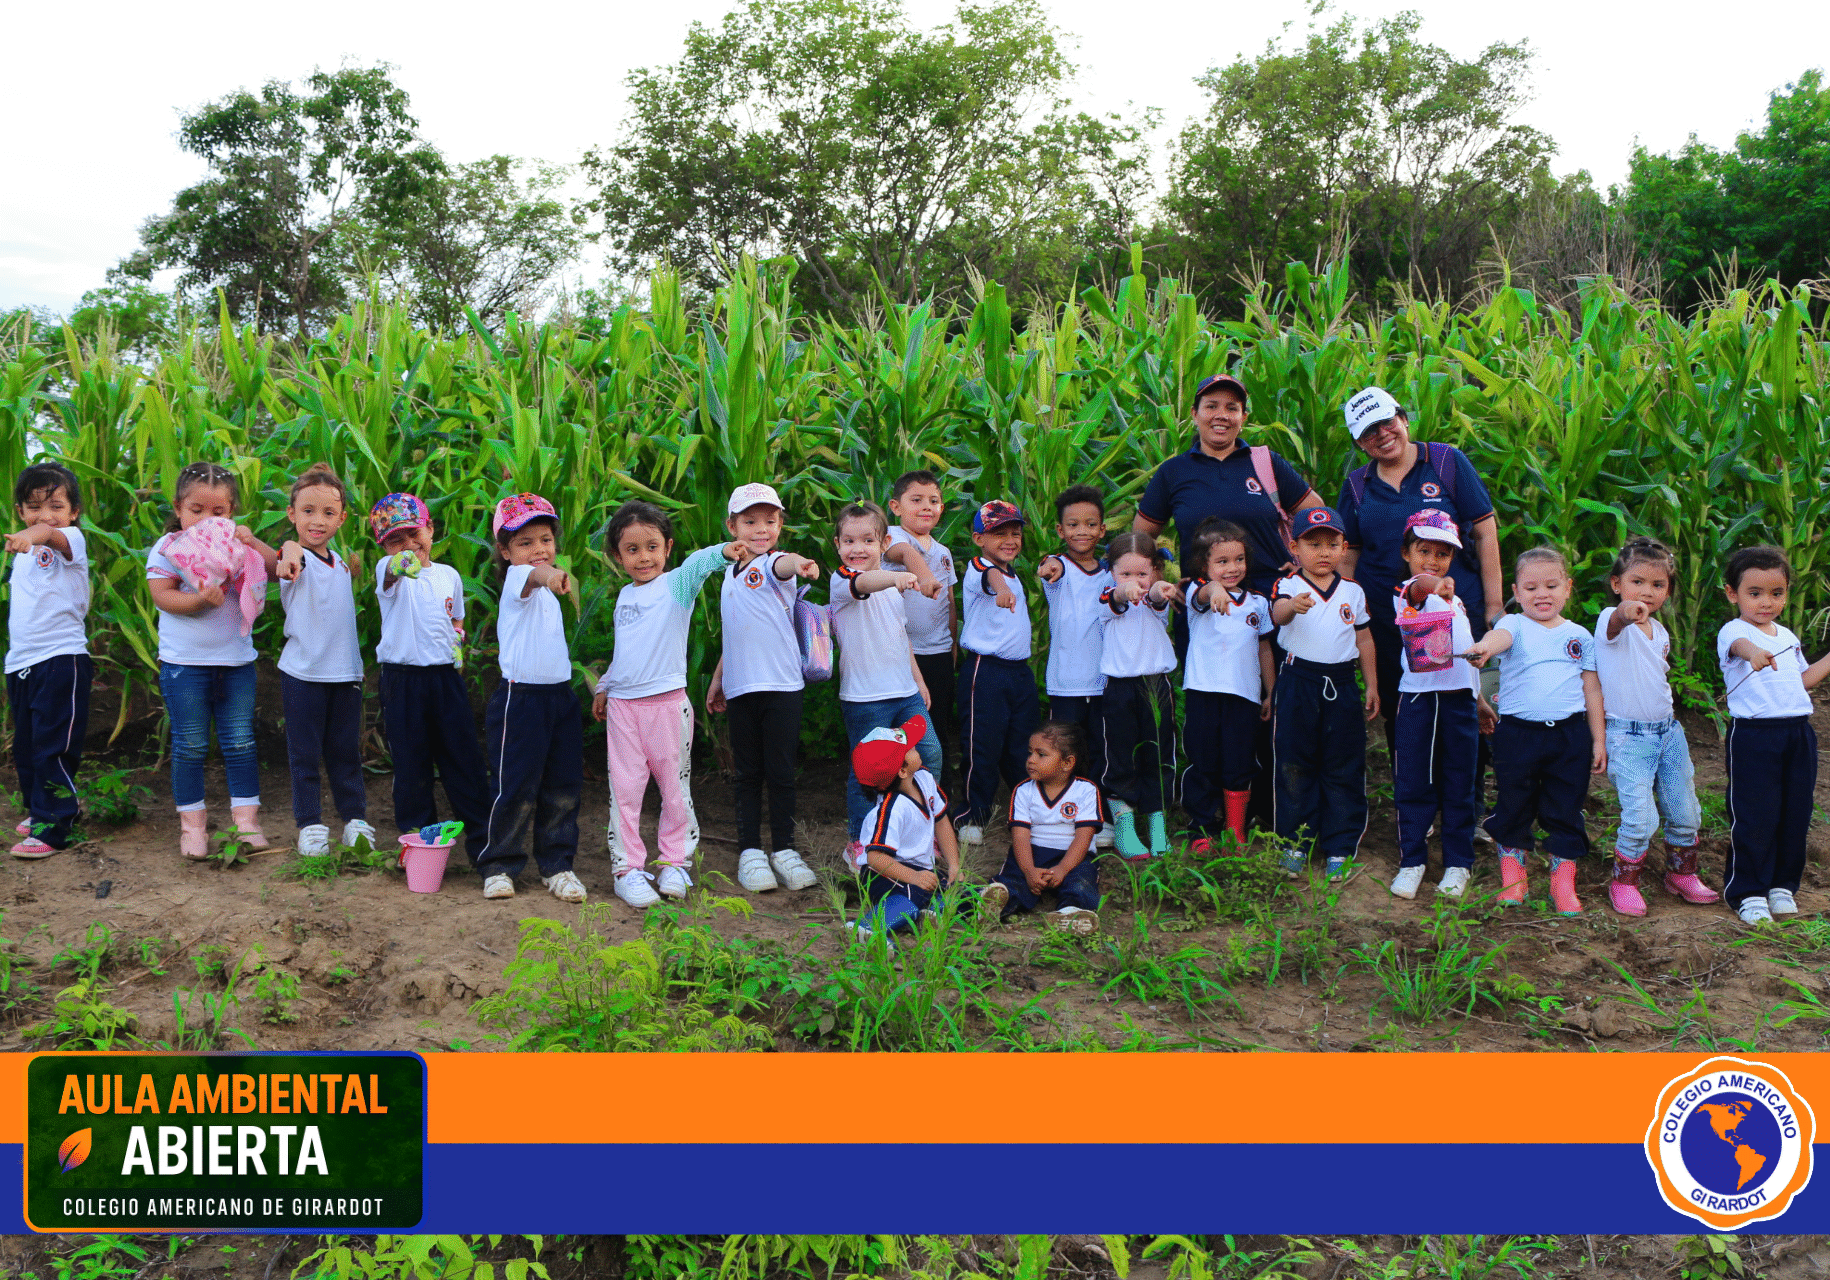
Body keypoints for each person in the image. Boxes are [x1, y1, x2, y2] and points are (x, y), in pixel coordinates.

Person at [1335, 386, 1503, 750]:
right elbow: (1349, 554)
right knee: (1404, 708)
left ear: (1404, 419)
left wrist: (1494, 605)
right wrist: (1343, 609)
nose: (1382, 434)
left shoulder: (1446, 462)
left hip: (1454, 611)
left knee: (1462, 701)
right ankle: (1411, 796)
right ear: (1359, 443)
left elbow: (1485, 532)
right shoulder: (1357, 486)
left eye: (1386, 422)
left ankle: (1463, 797)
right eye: (1368, 432)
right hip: (1388, 616)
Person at [591, 501, 737, 909]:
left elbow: (698, 564)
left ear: (667, 547)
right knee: (625, 790)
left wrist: (726, 551)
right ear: (618, 556)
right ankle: (627, 869)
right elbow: (626, 652)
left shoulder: (676, 585)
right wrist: (604, 685)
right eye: (632, 550)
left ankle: (674, 862)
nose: (643, 557)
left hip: (668, 707)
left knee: (674, 789)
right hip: (623, 709)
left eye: (652, 546)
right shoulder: (624, 596)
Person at [145, 462, 282, 859]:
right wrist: (198, 600)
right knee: (189, 745)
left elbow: (278, 571)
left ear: (233, 511)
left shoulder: (238, 547)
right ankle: (193, 827)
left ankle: (246, 822)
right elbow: (162, 596)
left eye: (218, 512)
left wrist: (252, 542)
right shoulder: (169, 547)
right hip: (184, 665)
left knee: (239, 743)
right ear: (178, 508)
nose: (206, 520)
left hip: (235, 662)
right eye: (196, 510)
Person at [1462, 547, 1606, 915]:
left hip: (1570, 736)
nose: (1541, 594)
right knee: (1514, 801)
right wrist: (1482, 648)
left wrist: (1598, 739)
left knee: (1566, 805)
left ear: (1568, 588)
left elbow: (1591, 689)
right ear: (1516, 591)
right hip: (1518, 735)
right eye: (1530, 588)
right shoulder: (1514, 624)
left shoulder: (1580, 636)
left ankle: (1563, 881)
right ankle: (1514, 877)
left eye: (1551, 585)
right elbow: (1499, 639)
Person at [705, 482, 821, 893]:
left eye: (770, 521)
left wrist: (800, 562)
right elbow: (735, 633)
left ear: (780, 526)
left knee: (781, 772)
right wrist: (719, 679)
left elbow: (784, 564)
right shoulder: (728, 576)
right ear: (731, 526)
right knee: (748, 773)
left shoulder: (773, 564)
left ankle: (785, 849)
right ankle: (750, 851)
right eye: (750, 522)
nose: (760, 529)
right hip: (740, 688)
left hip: (781, 686)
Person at [1593, 537, 1718, 915]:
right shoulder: (1610, 621)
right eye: (1637, 582)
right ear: (1617, 584)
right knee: (1641, 817)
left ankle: (1681, 873)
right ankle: (1625, 881)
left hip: (1668, 733)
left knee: (1685, 811)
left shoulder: (1660, 632)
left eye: (1658, 585)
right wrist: (1626, 611)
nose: (1647, 592)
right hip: (1627, 737)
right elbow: (1617, 621)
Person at [473, 493, 585, 903]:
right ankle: (499, 865)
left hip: (559, 698)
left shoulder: (544, 587)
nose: (538, 550)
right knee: (514, 785)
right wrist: (549, 575)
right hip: (520, 701)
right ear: (505, 551)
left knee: (563, 785)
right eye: (525, 543)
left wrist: (552, 578)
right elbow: (534, 578)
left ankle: (558, 866)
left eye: (545, 539)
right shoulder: (518, 582)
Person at [371, 492, 489, 872]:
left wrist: (457, 642)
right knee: (411, 766)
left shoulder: (450, 576)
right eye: (395, 539)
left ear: (431, 529)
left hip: (445, 680)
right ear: (384, 547)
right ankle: (420, 849)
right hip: (401, 681)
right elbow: (393, 570)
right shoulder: (388, 573)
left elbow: (456, 620)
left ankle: (485, 848)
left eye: (415, 533)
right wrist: (399, 562)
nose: (408, 544)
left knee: (464, 761)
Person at [1716, 545, 1830, 925]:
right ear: (1733, 594)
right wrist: (1753, 655)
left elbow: (1801, 682)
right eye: (1755, 593)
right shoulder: (1735, 631)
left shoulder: (1787, 635)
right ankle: (1747, 891)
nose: (1767, 602)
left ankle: (1782, 886)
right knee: (1754, 814)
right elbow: (1741, 646)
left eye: (1776, 593)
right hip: (1754, 736)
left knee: (1794, 812)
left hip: (1797, 732)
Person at [1133, 373, 1323, 598]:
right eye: (1211, 406)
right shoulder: (1173, 472)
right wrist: (1158, 583)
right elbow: (1141, 536)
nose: (1221, 416)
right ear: (1195, 414)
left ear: (1243, 417)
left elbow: (1317, 514)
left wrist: (1306, 566)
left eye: (1232, 408)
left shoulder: (1266, 463)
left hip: (1273, 603)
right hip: (1203, 607)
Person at [829, 501, 943, 862]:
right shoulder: (842, 581)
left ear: (884, 542)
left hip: (905, 693)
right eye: (849, 541)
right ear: (838, 545)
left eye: (867, 540)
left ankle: (918, 829)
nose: (857, 549)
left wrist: (919, 680)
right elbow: (865, 581)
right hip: (865, 699)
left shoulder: (893, 589)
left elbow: (900, 637)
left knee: (929, 756)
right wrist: (895, 577)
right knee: (866, 773)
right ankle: (859, 845)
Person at [1270, 507, 1378, 878]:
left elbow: (1363, 637)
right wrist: (1292, 608)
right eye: (1312, 544)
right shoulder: (1289, 586)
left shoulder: (1353, 591)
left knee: (1343, 764)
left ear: (1344, 548)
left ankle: (1340, 846)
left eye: (1332, 544)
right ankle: (1296, 843)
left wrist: (1372, 685)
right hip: (1300, 681)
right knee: (1295, 762)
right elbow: (1277, 614)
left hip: (1342, 684)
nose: (1323, 552)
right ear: (1294, 547)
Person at [273, 464, 374, 859]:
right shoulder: (294, 557)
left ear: (342, 518)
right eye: (308, 511)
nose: (318, 521)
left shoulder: (343, 565)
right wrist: (290, 552)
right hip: (304, 673)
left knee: (346, 752)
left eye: (328, 513)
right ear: (291, 514)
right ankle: (310, 824)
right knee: (305, 755)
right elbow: (289, 553)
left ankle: (354, 820)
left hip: (345, 673)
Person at [1386, 511, 1485, 901]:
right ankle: (1412, 861)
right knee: (1414, 782)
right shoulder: (1410, 592)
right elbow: (1419, 588)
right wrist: (1433, 584)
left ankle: (1458, 864)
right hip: (1419, 700)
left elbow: (1462, 655)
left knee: (1460, 782)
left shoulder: (1456, 601)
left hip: (1460, 702)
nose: (1432, 559)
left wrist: (1479, 701)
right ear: (1406, 553)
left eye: (1442, 553)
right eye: (1423, 550)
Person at [5, 463, 92, 859]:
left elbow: (49, 533)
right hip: (22, 662)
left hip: (61, 659)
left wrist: (33, 533)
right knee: (26, 745)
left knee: (52, 746)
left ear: (73, 512)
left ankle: (56, 824)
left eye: (56, 505)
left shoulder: (70, 539)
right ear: (20, 509)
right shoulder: (24, 552)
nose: (44, 514)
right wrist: (27, 539)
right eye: (33, 506)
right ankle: (39, 809)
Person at [1180, 518, 1274, 853]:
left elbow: (1264, 648)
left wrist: (1270, 692)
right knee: (1203, 761)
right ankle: (1202, 829)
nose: (1232, 568)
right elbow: (1204, 593)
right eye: (1221, 562)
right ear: (1204, 565)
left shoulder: (1258, 603)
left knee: (1239, 761)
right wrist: (1214, 588)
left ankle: (1236, 830)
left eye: (1239, 560)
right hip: (1204, 692)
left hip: (1245, 697)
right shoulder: (1197, 592)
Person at [950, 500, 1040, 843]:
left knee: (1022, 743)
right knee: (981, 744)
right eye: (998, 533)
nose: (1010, 539)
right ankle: (973, 814)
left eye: (1015, 533)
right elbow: (991, 579)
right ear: (978, 538)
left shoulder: (1013, 572)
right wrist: (1001, 589)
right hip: (985, 672)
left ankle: (1025, 809)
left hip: (1018, 673)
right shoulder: (981, 567)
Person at [1096, 531, 1182, 860]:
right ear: (1112, 572)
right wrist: (1124, 589)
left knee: (1158, 753)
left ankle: (1157, 823)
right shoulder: (1107, 596)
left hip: (1156, 685)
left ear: (1155, 570)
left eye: (1142, 573)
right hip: (1119, 687)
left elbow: (1158, 597)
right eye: (1125, 572)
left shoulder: (1156, 597)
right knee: (1120, 755)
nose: (1135, 580)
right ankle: (1124, 825)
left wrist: (1159, 588)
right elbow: (1117, 599)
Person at [981, 719, 1105, 934]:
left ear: (1067, 763)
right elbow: (1020, 837)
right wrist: (1029, 870)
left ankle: (1071, 913)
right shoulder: (1023, 791)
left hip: (1074, 856)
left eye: (1041, 754)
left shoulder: (1085, 790)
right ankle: (989, 904)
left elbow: (1083, 838)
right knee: (1013, 880)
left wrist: (1063, 868)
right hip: (1032, 853)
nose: (1031, 760)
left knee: (1081, 881)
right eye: (1030, 753)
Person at [851, 715, 965, 940]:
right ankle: (868, 929)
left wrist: (954, 864)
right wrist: (913, 877)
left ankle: (937, 911)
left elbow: (941, 821)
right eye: (909, 748)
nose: (915, 746)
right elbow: (875, 858)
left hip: (917, 867)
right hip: (883, 872)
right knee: (913, 894)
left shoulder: (923, 778)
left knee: (953, 886)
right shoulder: (891, 809)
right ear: (902, 771)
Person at [884, 471, 958, 790]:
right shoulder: (891, 537)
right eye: (916, 500)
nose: (926, 506)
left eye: (934, 501)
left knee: (937, 724)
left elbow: (949, 602)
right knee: (906, 730)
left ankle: (934, 795)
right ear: (896, 506)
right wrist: (925, 577)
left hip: (938, 652)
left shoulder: (943, 552)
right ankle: (899, 792)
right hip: (904, 654)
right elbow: (905, 555)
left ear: (941, 509)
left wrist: (952, 645)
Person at [1036, 485, 1112, 793]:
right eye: (1073, 525)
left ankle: (1096, 814)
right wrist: (1048, 563)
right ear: (1060, 530)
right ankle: (1058, 809)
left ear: (1102, 530)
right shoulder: (1060, 567)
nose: (1083, 531)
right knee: (1062, 751)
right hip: (1066, 682)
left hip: (1104, 680)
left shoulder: (1112, 573)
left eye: (1091, 524)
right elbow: (1047, 567)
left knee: (1100, 750)